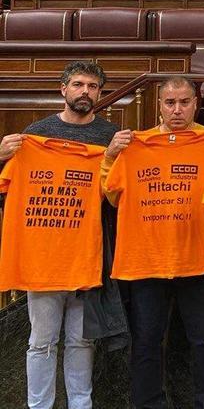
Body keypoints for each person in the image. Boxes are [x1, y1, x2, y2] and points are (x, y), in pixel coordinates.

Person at [103, 76, 204, 408]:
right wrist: (111, 157)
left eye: (184, 102)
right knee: (146, 342)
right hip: (145, 262)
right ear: (158, 106)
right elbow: (111, 196)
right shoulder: (133, 146)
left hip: (196, 259)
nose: (177, 110)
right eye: (170, 103)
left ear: (196, 104)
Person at [0, 61, 122, 409]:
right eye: (79, 84)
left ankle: (80, 404)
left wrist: (111, 158)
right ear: (63, 89)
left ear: (100, 93)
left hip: (88, 255)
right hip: (43, 258)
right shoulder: (35, 134)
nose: (86, 92)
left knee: (81, 341)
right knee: (41, 341)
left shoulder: (108, 137)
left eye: (94, 86)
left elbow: (116, 192)